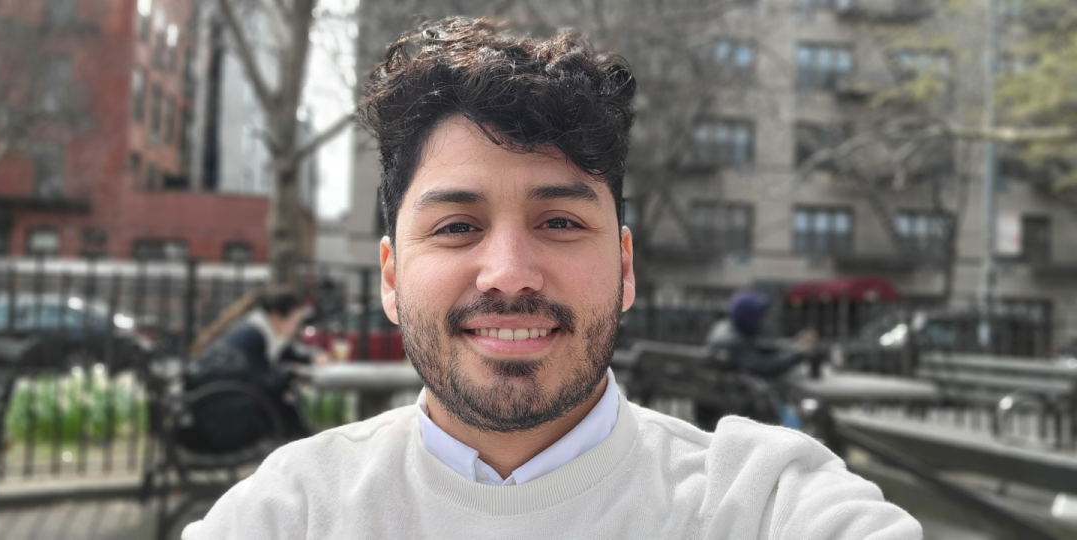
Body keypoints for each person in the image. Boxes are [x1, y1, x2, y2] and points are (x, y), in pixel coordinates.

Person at [184, 18, 921, 539]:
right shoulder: (288, 514)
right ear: (390, 276)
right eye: (456, 227)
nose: (509, 275)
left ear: (626, 268)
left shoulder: (762, 504)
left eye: (561, 223)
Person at [180, 289, 322, 452]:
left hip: (211, 416)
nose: (297, 329)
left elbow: (286, 354)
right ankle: (308, 452)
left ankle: (306, 450)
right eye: (295, 322)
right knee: (285, 410)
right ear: (276, 317)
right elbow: (263, 383)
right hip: (217, 427)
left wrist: (309, 360)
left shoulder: (255, 331)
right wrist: (290, 372)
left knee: (287, 410)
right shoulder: (254, 338)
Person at [696, 289, 819, 430]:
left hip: (724, 400)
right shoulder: (733, 340)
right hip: (743, 406)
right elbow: (764, 367)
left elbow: (759, 348)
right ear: (749, 317)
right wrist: (799, 354)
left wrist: (794, 345)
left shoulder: (727, 329)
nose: (764, 321)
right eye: (761, 316)